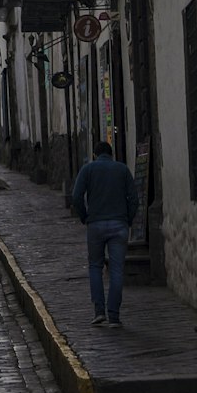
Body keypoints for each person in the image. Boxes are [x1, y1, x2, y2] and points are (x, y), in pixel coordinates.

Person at [71, 140, 139, 327]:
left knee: (95, 267)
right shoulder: (122, 170)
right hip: (119, 224)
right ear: (111, 154)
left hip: (96, 225)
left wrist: (85, 217)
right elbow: (134, 198)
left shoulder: (88, 170)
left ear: (95, 154)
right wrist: (128, 219)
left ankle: (99, 311)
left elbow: (76, 196)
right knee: (117, 270)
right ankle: (114, 315)